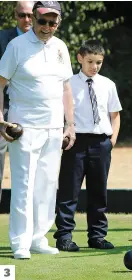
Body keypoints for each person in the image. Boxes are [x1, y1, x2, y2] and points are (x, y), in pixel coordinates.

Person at [0, 1, 75, 259]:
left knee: (46, 184)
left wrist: (70, 125)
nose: (46, 27)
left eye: (52, 22)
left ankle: (37, 238)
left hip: (54, 128)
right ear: (33, 18)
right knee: (24, 185)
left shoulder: (61, 47)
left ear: (59, 23)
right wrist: (1, 120)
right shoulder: (16, 46)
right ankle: (20, 242)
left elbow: (66, 88)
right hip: (24, 128)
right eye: (42, 21)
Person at [54, 40, 122, 251]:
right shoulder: (68, 84)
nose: (94, 66)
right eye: (90, 61)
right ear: (80, 58)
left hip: (101, 143)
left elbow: (115, 115)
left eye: (99, 62)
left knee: (98, 192)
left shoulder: (108, 84)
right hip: (75, 142)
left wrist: (111, 141)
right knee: (68, 191)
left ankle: (97, 236)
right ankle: (64, 236)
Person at [0, 1, 34, 203]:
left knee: (27, 176)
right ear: (15, 16)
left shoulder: (46, 41)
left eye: (30, 15)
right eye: (22, 15)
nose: (27, 20)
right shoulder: (2, 39)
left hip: (29, 117)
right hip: (2, 114)